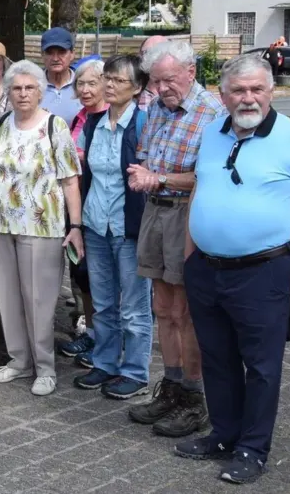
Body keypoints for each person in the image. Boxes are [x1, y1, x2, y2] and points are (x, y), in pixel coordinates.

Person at [176, 54, 290, 484]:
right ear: (223, 95)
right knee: (217, 358)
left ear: (271, 92)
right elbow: (200, 190)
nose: (248, 98)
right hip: (206, 269)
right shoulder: (212, 134)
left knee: (263, 365)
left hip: (263, 271)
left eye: (257, 89)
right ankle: (224, 433)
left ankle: (253, 449)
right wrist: (188, 255)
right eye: (238, 90)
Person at [127, 38, 224, 437]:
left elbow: (210, 177)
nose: (163, 89)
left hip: (188, 214)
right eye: (156, 82)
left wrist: (159, 177)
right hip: (156, 211)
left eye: (169, 80)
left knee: (186, 313)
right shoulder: (158, 112)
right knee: (163, 309)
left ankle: (194, 396)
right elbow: (149, 158)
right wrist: (145, 174)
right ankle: (170, 385)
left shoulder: (213, 114)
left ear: (191, 72)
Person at [0, 60, 84, 397]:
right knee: (8, 295)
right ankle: (18, 361)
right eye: (16, 88)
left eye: (29, 88)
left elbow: (71, 180)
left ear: (40, 91)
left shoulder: (55, 126)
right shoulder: (2, 124)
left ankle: (45, 367)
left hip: (42, 226)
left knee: (39, 299)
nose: (23, 94)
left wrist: (76, 225)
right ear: (9, 93)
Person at [71, 55, 154, 400]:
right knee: (103, 303)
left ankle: (135, 371)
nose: (108, 85)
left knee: (135, 307)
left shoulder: (144, 125)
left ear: (136, 88)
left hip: (128, 228)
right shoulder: (94, 124)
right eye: (107, 78)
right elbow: (88, 177)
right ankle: (105, 363)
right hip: (95, 226)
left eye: (118, 80)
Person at [57, 59, 107, 366]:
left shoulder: (109, 118)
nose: (85, 89)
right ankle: (90, 332)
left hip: (100, 209)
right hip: (77, 209)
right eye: (80, 84)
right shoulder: (79, 118)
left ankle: (107, 340)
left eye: (92, 83)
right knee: (82, 275)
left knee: (100, 277)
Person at [39, 27, 83, 124]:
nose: (55, 58)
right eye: (50, 53)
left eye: (62, 52)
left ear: (72, 54)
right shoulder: (32, 85)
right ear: (42, 55)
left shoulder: (84, 84)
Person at [138, 35, 166, 110]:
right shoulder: (133, 90)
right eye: (147, 52)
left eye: (159, 51)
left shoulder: (178, 91)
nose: (153, 56)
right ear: (140, 56)